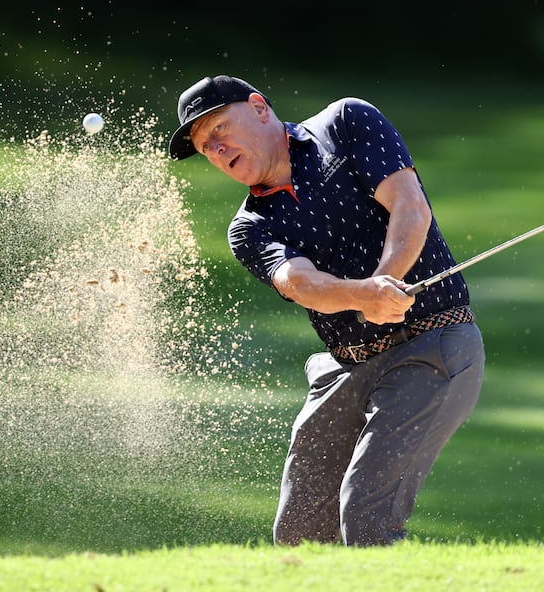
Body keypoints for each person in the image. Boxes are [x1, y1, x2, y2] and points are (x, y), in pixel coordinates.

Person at [168, 75, 485, 547]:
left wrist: (385, 281)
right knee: (299, 533)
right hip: (346, 368)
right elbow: (298, 282)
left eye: (218, 129)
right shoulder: (250, 227)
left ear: (258, 108)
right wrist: (365, 296)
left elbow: (409, 206)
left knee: (366, 514)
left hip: (432, 346)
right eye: (204, 147)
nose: (215, 149)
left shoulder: (345, 122)